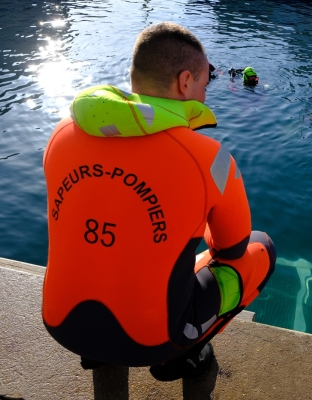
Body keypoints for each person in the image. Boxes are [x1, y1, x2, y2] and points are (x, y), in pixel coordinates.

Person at [42, 22, 276, 382]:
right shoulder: (209, 158)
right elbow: (231, 248)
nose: (206, 93)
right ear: (185, 82)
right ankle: (183, 356)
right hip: (152, 340)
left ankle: (95, 353)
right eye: (204, 83)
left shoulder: (62, 133)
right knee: (260, 250)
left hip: (60, 323)